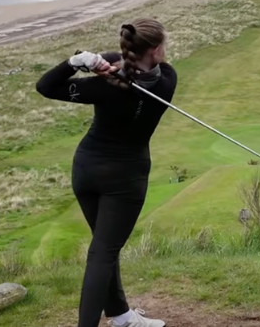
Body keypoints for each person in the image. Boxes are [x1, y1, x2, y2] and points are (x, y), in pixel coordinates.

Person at [35, 18, 177, 327]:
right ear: (154, 51)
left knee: (105, 247)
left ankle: (120, 315)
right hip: (125, 178)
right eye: (163, 45)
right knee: (103, 253)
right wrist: (104, 64)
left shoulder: (104, 86)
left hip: (86, 169)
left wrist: (79, 61)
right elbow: (126, 65)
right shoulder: (166, 80)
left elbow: (46, 86)